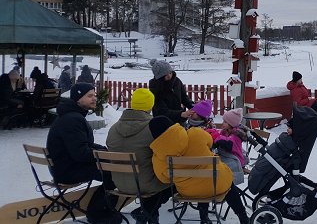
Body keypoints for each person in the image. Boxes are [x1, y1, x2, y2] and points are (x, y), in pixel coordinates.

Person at [149, 116, 250, 224]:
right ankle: (243, 217)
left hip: (188, 191)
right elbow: (210, 141)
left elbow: (164, 179)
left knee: (198, 182)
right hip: (216, 186)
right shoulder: (195, 133)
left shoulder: (158, 156)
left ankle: (204, 217)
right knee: (224, 183)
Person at [46, 83, 121, 224]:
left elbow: (84, 145)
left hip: (64, 166)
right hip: (68, 170)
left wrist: (104, 151)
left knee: (110, 169)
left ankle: (101, 209)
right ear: (78, 99)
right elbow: (81, 153)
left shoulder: (72, 116)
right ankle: (98, 214)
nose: (94, 98)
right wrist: (105, 156)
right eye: (89, 96)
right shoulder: (73, 119)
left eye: (94, 95)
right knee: (114, 173)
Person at [106, 88, 170, 224]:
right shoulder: (152, 128)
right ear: (150, 106)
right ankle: (147, 213)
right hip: (145, 184)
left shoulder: (113, 128)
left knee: (146, 175)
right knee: (174, 181)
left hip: (119, 183)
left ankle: (146, 213)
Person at [148, 60, 194, 124]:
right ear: (159, 77)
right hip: (163, 123)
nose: (169, 76)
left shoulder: (176, 81)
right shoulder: (155, 88)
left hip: (179, 120)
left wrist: (193, 106)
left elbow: (184, 97)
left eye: (170, 73)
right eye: (165, 75)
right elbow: (161, 111)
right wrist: (181, 114)